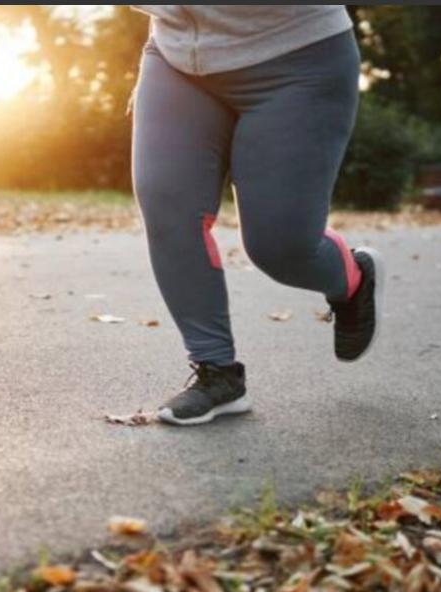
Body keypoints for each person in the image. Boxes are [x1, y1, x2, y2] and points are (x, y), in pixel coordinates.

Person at [130, 5, 384, 426]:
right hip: (176, 54)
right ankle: (217, 373)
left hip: (299, 55)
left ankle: (351, 277)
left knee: (279, 248)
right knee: (167, 207)